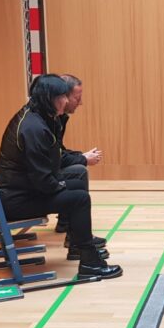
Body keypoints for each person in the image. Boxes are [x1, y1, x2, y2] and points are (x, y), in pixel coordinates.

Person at [0, 74, 121, 279]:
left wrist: (63, 182)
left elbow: (48, 167)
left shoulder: (35, 118)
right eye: (63, 96)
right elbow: (43, 180)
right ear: (50, 98)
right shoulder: (34, 128)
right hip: (17, 200)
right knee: (80, 199)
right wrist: (62, 185)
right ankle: (89, 262)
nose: (66, 100)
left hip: (18, 191)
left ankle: (79, 245)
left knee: (76, 186)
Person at [54, 74, 104, 234]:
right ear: (63, 97)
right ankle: (76, 230)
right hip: (32, 183)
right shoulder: (46, 121)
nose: (80, 103)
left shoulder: (59, 118)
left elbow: (58, 150)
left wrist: (81, 156)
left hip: (38, 175)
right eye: (77, 98)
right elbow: (55, 157)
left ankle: (66, 222)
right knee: (79, 171)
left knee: (78, 168)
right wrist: (83, 158)